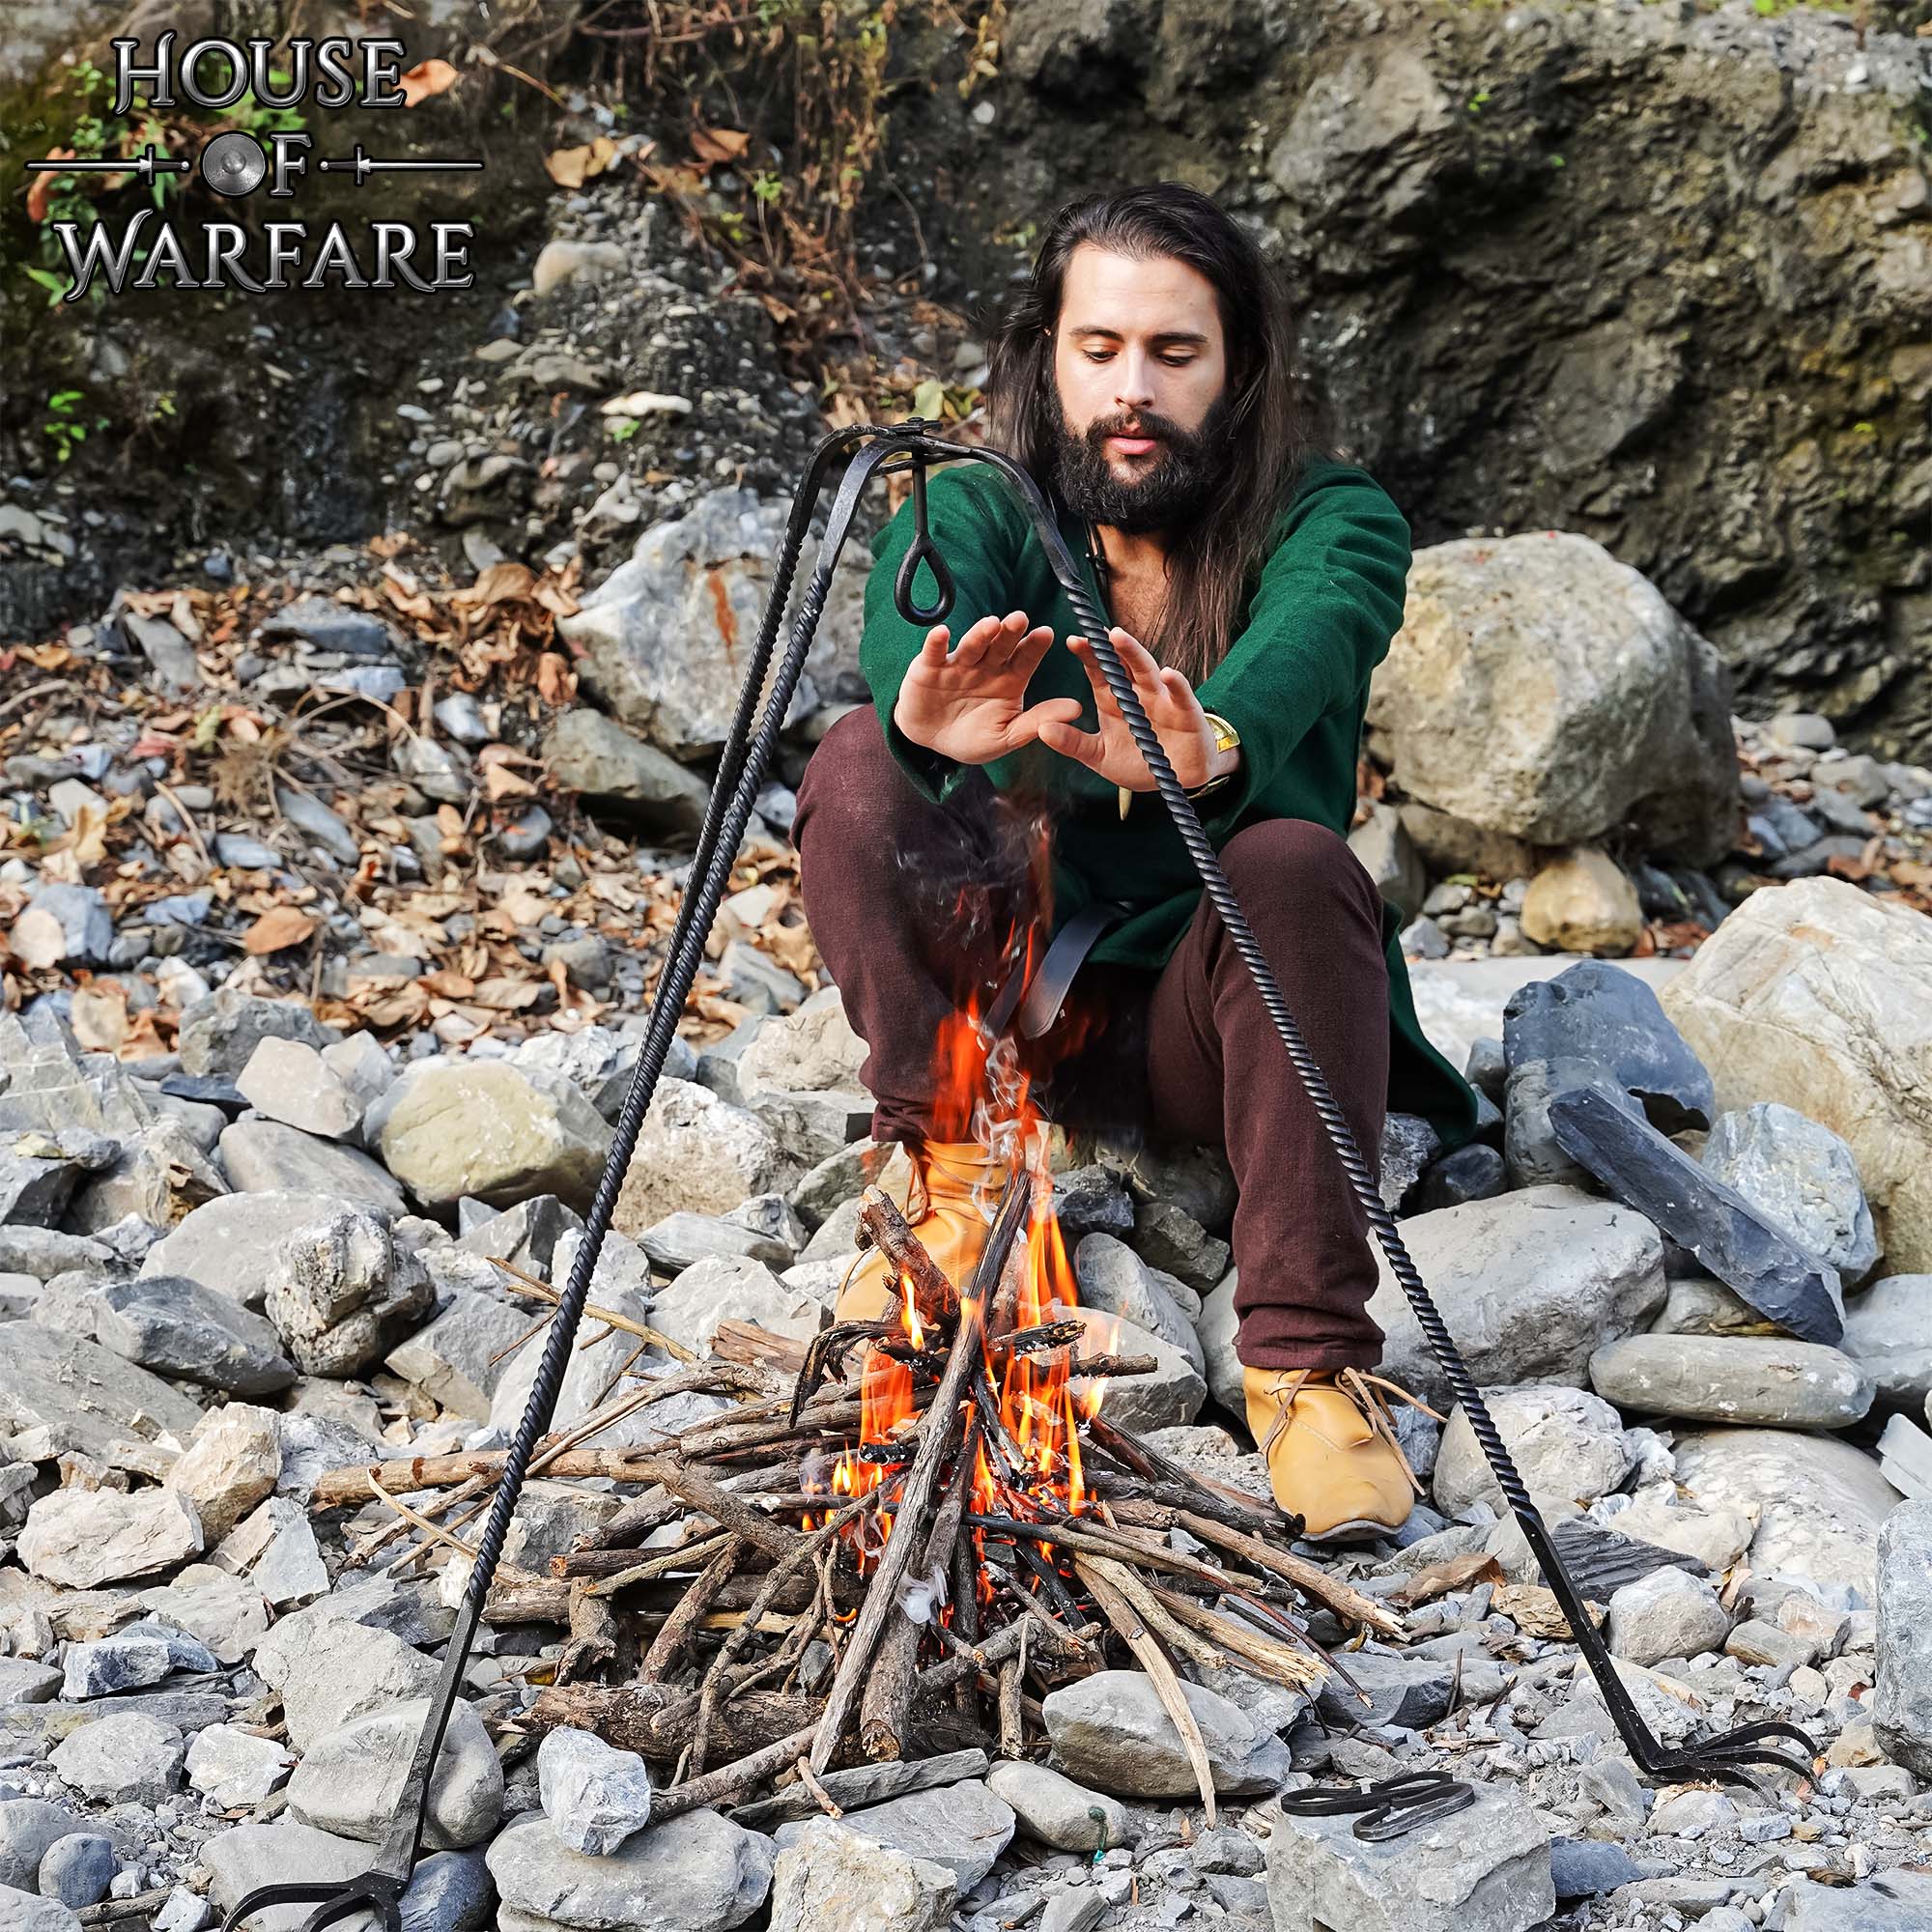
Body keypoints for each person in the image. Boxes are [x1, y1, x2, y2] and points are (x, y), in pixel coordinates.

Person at [791, 182, 1481, 1541]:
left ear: (1240, 370)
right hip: (1002, 1021)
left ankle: (1304, 1362)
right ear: (1048, 359)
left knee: (1290, 861)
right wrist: (924, 717)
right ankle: (942, 1181)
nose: (1132, 392)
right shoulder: (983, 503)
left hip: (1213, 1034)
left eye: (1175, 354)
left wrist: (1208, 740)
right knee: (858, 763)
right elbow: (909, 604)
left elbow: (1317, 634)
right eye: (1099, 351)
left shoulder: (1332, 516)